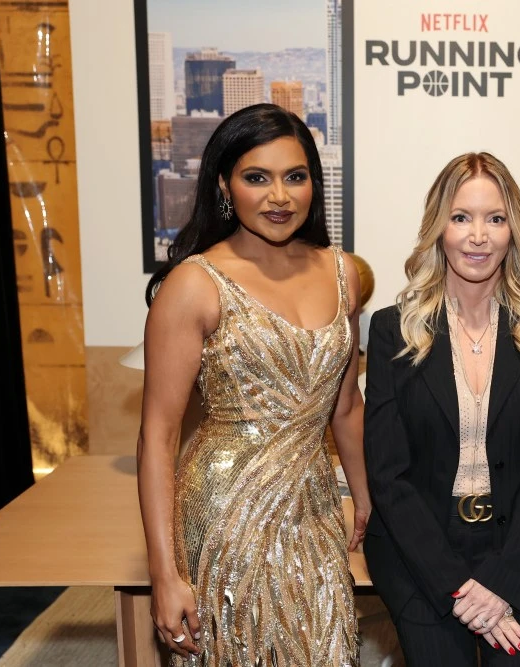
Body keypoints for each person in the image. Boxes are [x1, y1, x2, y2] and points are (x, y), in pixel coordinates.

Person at [137, 103, 369, 666]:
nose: (279, 196)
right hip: (221, 513)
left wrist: (365, 496)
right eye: (256, 178)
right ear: (224, 184)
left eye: (295, 176)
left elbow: (344, 405)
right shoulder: (194, 284)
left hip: (312, 508)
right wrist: (164, 575)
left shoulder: (344, 274)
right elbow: (158, 435)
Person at [363, 152, 520, 665]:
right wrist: (459, 589)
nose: (478, 236)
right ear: (439, 228)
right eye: (461, 217)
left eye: (495, 219)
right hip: (422, 555)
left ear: (512, 231)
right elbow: (389, 476)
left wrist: (500, 584)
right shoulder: (394, 328)